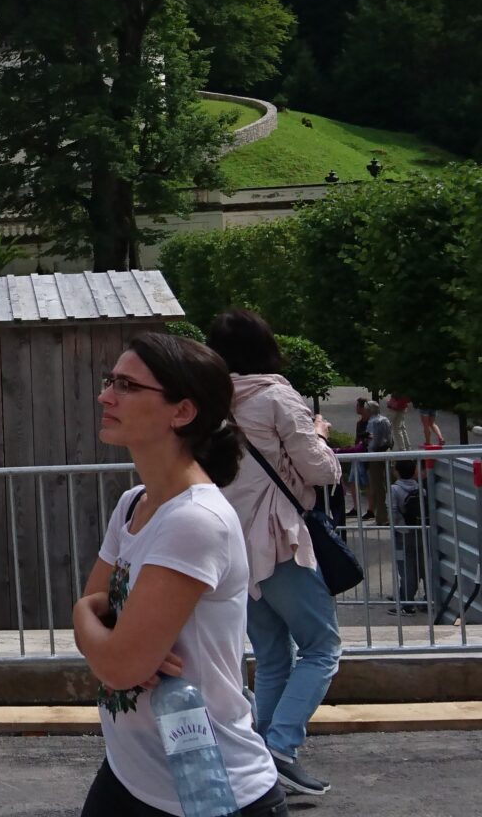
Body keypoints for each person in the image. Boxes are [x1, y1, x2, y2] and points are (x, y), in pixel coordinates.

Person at [72, 331, 285, 817]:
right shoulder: (134, 504)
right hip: (131, 775)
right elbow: (110, 648)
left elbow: (116, 660)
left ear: (182, 412)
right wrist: (107, 636)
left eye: (126, 385)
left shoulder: (193, 520)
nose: (105, 395)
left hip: (209, 793)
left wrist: (84, 614)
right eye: (111, 381)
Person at [206, 309, 343, 800]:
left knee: (270, 657)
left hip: (233, 545)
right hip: (280, 538)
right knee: (322, 648)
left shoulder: (211, 402)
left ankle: (262, 761)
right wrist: (322, 436)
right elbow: (320, 470)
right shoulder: (275, 394)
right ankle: (281, 749)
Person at [390, 460, 425, 609]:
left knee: (406, 569)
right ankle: (427, 600)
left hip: (402, 535)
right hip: (420, 532)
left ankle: (406, 603)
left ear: (396, 472)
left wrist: (400, 527)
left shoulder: (394, 489)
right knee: (423, 567)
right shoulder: (421, 489)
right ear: (415, 472)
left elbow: (392, 512)